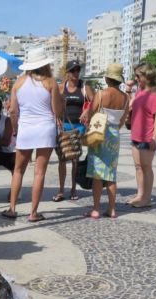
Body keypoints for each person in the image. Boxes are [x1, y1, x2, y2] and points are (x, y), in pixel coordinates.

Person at [2, 47, 62, 222]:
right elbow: (56, 111)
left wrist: (16, 129)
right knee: (39, 172)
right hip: (46, 129)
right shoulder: (51, 83)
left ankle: (12, 208)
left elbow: (13, 111)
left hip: (26, 129)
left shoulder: (18, 83)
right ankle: (33, 213)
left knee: (18, 170)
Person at [84, 64, 130, 219]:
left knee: (97, 173)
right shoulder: (125, 98)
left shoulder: (101, 94)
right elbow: (123, 120)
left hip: (99, 133)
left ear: (107, 78)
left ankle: (96, 209)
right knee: (111, 174)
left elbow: (91, 115)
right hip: (114, 135)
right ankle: (112, 209)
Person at [52, 60, 93, 202]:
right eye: (73, 70)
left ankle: (74, 189)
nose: (76, 73)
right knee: (62, 159)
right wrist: (56, 117)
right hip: (63, 126)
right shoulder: (61, 87)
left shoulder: (84, 86)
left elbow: (95, 102)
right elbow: (54, 105)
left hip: (79, 127)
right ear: (67, 73)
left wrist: (88, 110)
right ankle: (61, 190)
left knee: (75, 158)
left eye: (78, 70)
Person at [127, 61, 156, 208]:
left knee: (146, 166)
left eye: (138, 76)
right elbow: (131, 106)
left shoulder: (155, 93)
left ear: (146, 76)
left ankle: (147, 198)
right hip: (136, 133)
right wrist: (129, 92)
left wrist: (154, 138)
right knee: (138, 166)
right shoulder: (140, 91)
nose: (136, 78)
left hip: (147, 136)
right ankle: (140, 195)